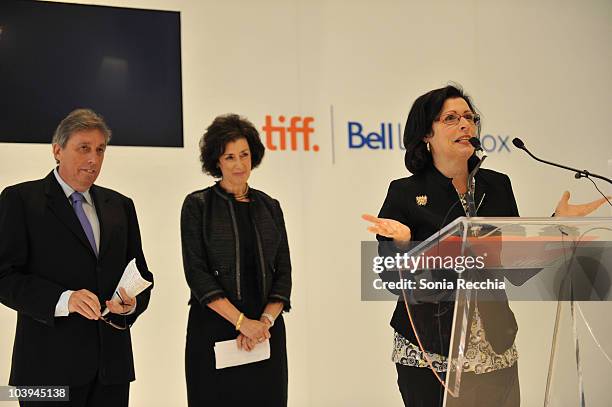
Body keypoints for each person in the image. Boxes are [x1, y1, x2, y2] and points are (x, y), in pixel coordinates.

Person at [362, 84, 608, 407]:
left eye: (469, 117)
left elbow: (516, 269)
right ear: (426, 134)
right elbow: (393, 281)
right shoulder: (405, 193)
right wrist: (405, 245)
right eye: (450, 118)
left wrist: (556, 225)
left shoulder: (497, 186)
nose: (465, 124)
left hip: (494, 352)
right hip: (430, 355)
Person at [0, 108, 153, 407]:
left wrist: (131, 303)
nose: (93, 159)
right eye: (83, 148)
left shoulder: (120, 205)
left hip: (112, 371)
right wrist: (63, 299)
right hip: (45, 373)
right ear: (57, 150)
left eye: (100, 150)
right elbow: (4, 276)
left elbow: (141, 273)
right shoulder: (20, 200)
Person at [181, 114, 292, 406]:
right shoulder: (198, 206)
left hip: (266, 332)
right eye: (230, 157)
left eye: (244, 155)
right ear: (216, 161)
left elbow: (283, 272)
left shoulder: (270, 207)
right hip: (215, 328)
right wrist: (242, 323)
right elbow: (197, 274)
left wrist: (263, 323)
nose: (239, 164)